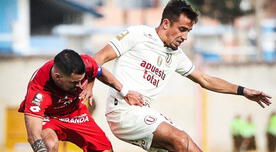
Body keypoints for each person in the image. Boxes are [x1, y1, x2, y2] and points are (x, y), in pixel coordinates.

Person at [94, 0, 272, 151]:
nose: (185, 37)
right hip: (123, 111)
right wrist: (91, 86)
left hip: (143, 112)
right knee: (181, 140)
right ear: (165, 24)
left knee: (191, 147)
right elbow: (97, 59)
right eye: (182, 29)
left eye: (188, 31)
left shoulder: (177, 56)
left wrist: (243, 91)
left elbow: (205, 79)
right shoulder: (138, 34)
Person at [18, 49, 143, 152]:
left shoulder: (85, 62)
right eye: (74, 82)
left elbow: (99, 71)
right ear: (58, 77)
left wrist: (125, 92)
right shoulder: (38, 91)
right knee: (49, 145)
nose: (80, 85)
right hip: (49, 117)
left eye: (81, 80)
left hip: (75, 113)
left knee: (105, 150)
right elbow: (33, 135)